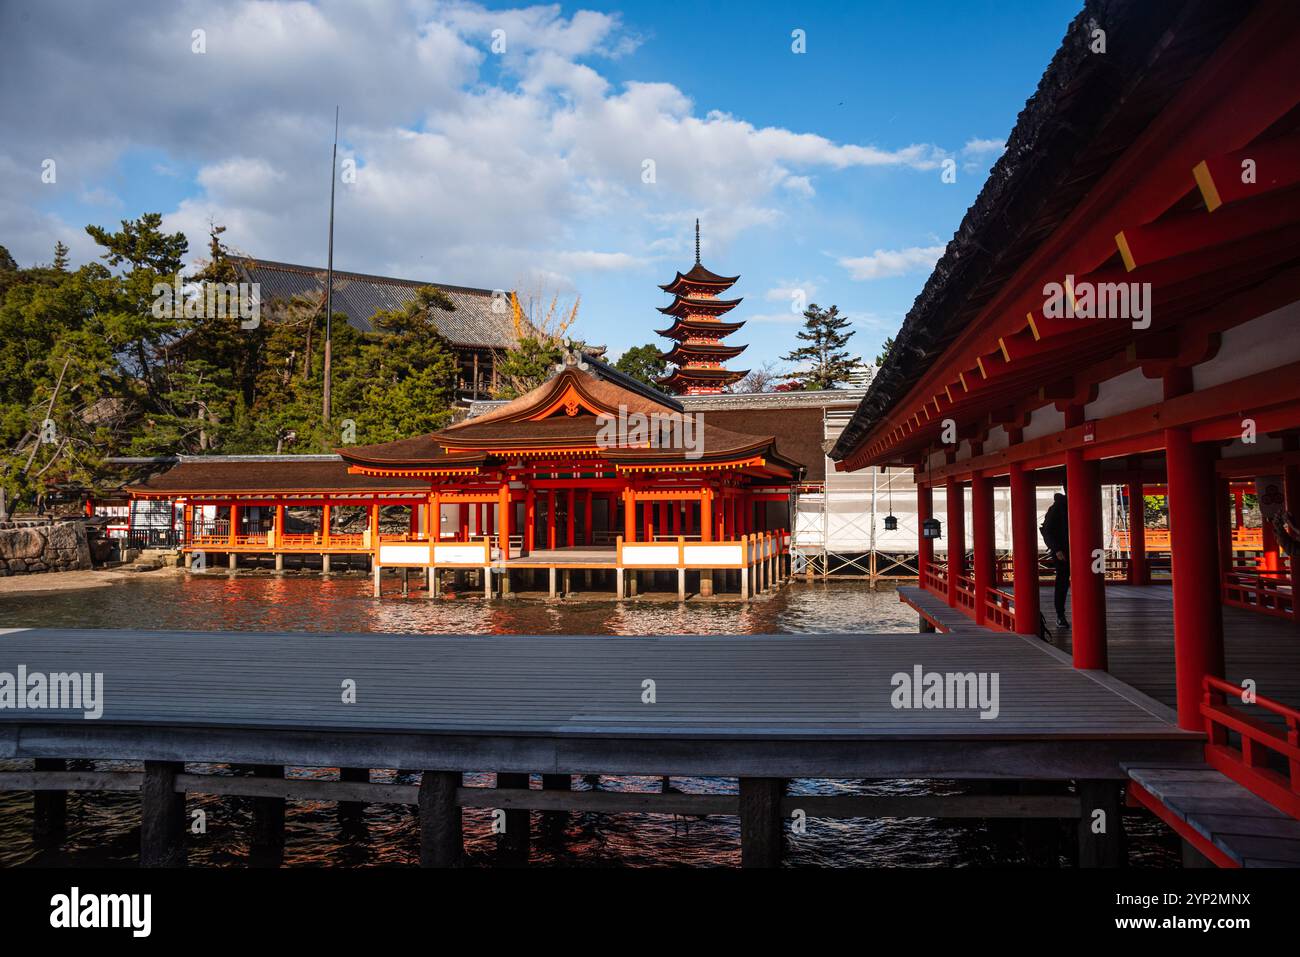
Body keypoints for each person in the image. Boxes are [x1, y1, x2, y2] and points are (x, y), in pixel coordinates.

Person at [1040, 492, 1069, 628]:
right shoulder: (1057, 508)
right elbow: (1047, 530)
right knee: (1062, 583)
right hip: (1062, 552)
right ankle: (1060, 615)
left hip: (1082, 550)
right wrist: (1057, 549)